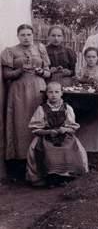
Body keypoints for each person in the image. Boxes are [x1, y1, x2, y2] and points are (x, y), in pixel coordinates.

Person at [1, 24, 51, 174]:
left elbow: (49, 73)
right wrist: (20, 70)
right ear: (18, 36)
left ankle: (40, 163)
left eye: (29, 34)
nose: (26, 37)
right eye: (22, 35)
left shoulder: (41, 49)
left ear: (33, 35)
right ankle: (19, 164)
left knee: (39, 122)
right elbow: (6, 75)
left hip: (38, 89)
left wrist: (42, 71)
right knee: (20, 125)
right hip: (19, 92)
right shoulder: (10, 51)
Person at [26, 82, 88, 187]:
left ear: (61, 93)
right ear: (46, 94)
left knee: (71, 148)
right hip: (46, 135)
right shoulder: (42, 109)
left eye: (56, 92)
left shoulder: (67, 108)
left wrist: (65, 129)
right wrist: (48, 131)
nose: (53, 95)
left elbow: (72, 126)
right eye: (50, 92)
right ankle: (49, 178)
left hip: (64, 134)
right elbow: (35, 128)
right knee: (45, 150)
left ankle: (66, 176)